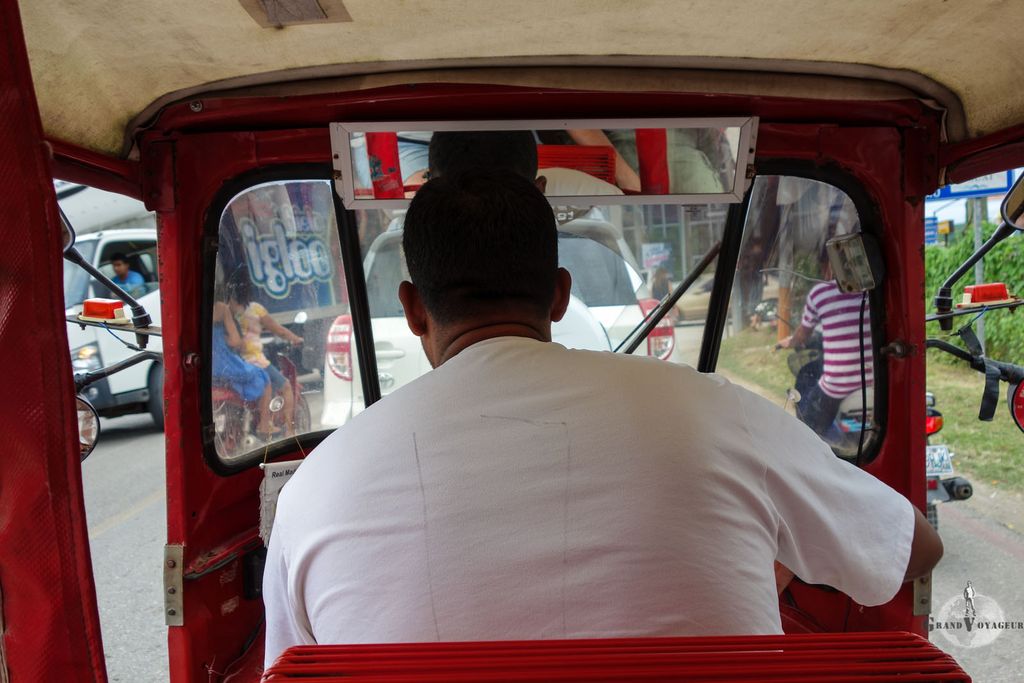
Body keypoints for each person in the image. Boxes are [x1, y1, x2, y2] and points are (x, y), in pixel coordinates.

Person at [262, 169, 941, 666]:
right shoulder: (715, 412)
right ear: (560, 294)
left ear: (413, 309)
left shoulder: (314, 491)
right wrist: (778, 553)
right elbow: (914, 548)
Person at [777, 266, 873, 436]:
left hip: (838, 387)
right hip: (872, 380)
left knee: (810, 421)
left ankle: (810, 440)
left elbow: (802, 336)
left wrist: (790, 342)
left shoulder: (820, 293)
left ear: (830, 266)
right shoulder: (871, 290)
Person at [225, 272, 304, 437]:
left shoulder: (228, 310)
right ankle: (289, 431)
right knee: (286, 387)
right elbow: (278, 330)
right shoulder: (255, 309)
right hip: (254, 361)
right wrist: (295, 338)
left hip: (233, 361)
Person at [211, 300, 274, 437]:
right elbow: (235, 341)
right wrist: (223, 339)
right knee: (263, 376)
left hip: (207, 366)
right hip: (224, 363)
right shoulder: (221, 308)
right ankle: (264, 426)